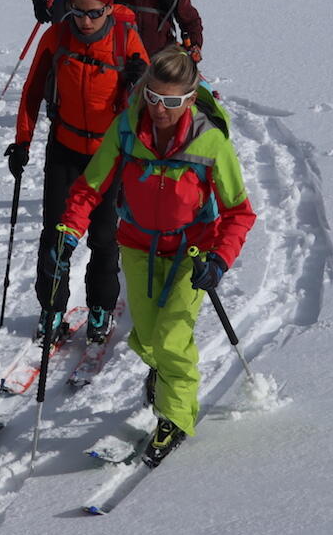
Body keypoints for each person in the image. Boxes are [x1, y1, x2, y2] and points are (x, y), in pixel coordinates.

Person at [55, 45, 256, 466]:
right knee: (147, 338)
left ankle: (175, 416)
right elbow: (90, 186)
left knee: (171, 339)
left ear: (190, 98)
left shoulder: (210, 141)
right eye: (152, 96)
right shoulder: (127, 129)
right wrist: (68, 230)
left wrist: (219, 261)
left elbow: (239, 212)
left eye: (170, 101)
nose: (159, 109)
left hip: (193, 252)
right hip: (138, 245)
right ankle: (162, 370)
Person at [5, 0, 148, 345]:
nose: (85, 20)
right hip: (64, 149)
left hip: (109, 154)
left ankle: (100, 308)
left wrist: (139, 79)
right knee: (56, 233)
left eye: (94, 13)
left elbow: (149, 105)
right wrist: (22, 142)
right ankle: (52, 309)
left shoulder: (126, 40)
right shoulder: (57, 36)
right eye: (78, 11)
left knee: (104, 236)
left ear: (109, 9)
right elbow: (32, 90)